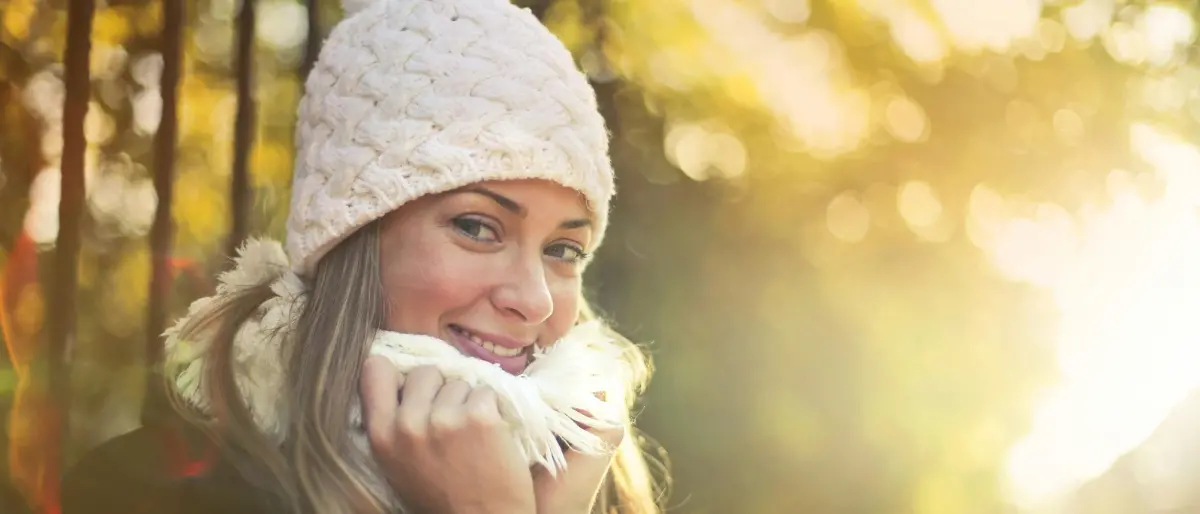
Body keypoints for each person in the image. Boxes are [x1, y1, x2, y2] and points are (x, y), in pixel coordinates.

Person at [60, 0, 667, 512]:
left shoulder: (589, 480)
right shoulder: (143, 491)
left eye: (564, 249)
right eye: (478, 228)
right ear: (351, 237)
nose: (534, 300)